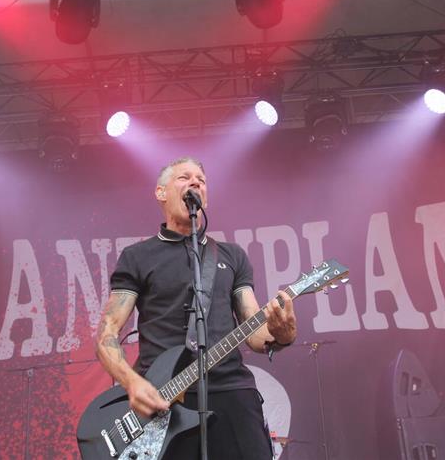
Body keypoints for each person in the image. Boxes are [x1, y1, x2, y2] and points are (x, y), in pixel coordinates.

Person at [95, 157, 298, 459]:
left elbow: (255, 334)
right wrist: (132, 383)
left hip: (231, 390)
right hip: (163, 399)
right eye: (184, 177)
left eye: (201, 180)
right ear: (161, 192)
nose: (195, 183)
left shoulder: (231, 255)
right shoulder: (138, 256)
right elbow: (106, 334)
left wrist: (282, 335)